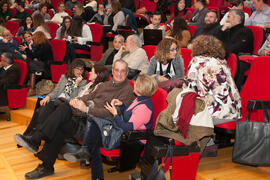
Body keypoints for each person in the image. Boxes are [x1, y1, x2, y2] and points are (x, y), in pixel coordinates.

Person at [14, 59, 134, 179]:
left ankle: (36, 140)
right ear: (112, 71)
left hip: (96, 129)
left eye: (122, 71)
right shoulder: (104, 85)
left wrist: (86, 109)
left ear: (127, 72)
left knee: (63, 110)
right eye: (117, 70)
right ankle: (46, 165)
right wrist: (78, 100)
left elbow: (111, 113)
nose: (119, 73)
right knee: (60, 120)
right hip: (83, 119)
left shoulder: (127, 90)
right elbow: (89, 96)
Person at [64, 73, 158, 180]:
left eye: (136, 84)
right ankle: (88, 157)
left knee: (93, 128)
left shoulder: (144, 108)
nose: (134, 84)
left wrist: (115, 114)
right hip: (122, 132)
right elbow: (129, 115)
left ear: (141, 88)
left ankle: (86, 154)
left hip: (131, 140)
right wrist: (121, 105)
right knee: (93, 135)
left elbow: (127, 127)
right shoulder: (140, 99)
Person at [21, 59, 88, 137]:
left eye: (81, 69)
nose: (79, 71)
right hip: (57, 101)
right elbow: (55, 92)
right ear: (72, 68)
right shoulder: (64, 77)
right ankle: (29, 135)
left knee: (41, 111)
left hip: (66, 105)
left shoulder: (83, 82)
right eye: (77, 68)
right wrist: (48, 96)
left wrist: (76, 85)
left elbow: (75, 98)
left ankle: (31, 136)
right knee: (40, 110)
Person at [187, 35, 241, 125]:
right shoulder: (222, 62)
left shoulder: (197, 61)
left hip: (214, 114)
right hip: (233, 112)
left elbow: (190, 88)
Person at [26, 31, 53, 96]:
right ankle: (30, 88)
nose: (33, 40)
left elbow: (34, 55)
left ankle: (32, 89)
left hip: (46, 66)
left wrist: (27, 48)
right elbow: (34, 56)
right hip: (41, 64)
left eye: (34, 39)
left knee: (31, 64)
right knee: (29, 63)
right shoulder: (40, 45)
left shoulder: (46, 45)